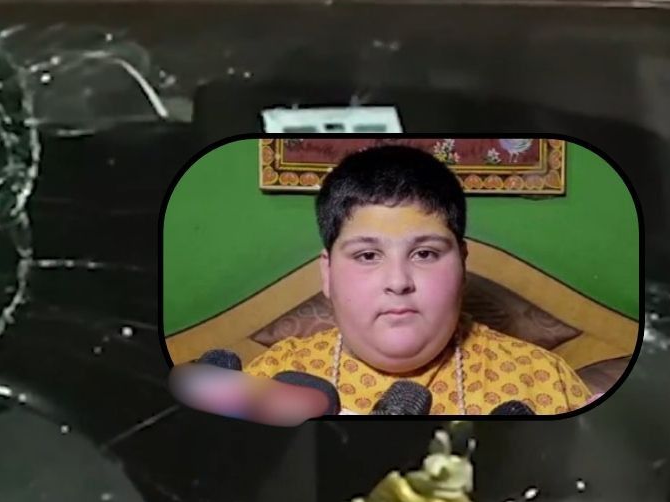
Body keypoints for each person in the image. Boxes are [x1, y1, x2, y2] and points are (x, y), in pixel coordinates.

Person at [244, 144, 592, 416]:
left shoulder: (545, 381)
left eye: (425, 254)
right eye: (367, 256)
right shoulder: (271, 378)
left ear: (462, 265)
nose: (398, 282)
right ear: (327, 273)